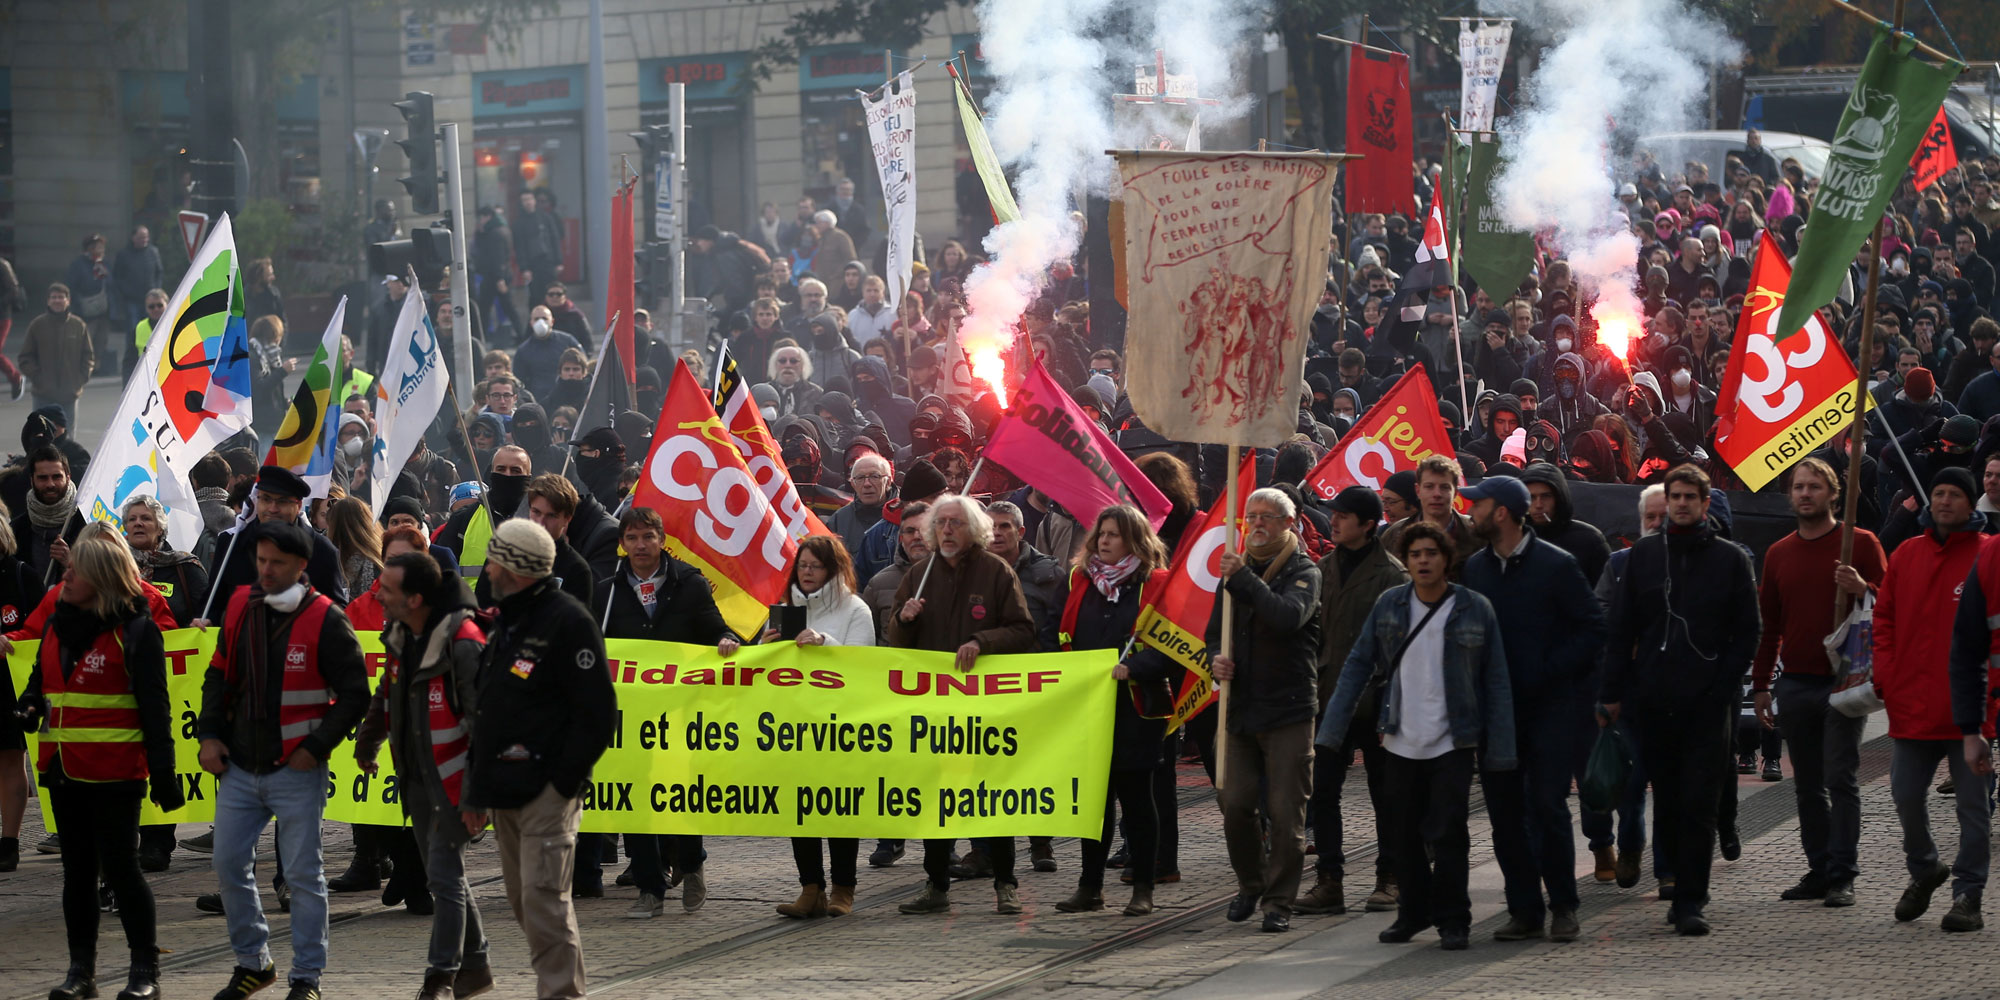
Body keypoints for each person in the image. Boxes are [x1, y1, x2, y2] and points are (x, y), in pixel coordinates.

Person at [1319, 521, 1515, 951]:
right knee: (1402, 832)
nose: (1423, 560)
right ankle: (1412, 913)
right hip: (1400, 738)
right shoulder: (1390, 605)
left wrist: (1500, 748)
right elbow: (1356, 665)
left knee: (1447, 831)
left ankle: (1453, 919)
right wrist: (1331, 729)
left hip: (1453, 740)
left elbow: (1496, 680)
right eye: (1415, 554)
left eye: (1431, 553)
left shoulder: (1473, 608)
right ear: (1406, 562)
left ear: (1446, 560)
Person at [198, 520, 371, 1000]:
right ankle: (253, 963)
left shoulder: (327, 618)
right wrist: (209, 734)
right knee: (229, 863)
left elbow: (356, 695)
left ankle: (306, 978)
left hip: (296, 770)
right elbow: (218, 675)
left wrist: (315, 748)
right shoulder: (239, 604)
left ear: (301, 566)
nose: (266, 570)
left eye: (276, 562)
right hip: (239, 765)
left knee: (302, 876)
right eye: (261, 561)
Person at [11, 530, 178, 1000]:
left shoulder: (137, 631)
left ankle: (144, 972)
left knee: (122, 871)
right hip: (61, 770)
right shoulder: (55, 623)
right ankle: (80, 971)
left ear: (101, 577)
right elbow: (38, 683)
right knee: (77, 874)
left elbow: (155, 708)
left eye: (75, 569)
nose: (66, 575)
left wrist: (164, 775)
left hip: (117, 772)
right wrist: (27, 705)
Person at [1602, 464, 1762, 936]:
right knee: (1668, 801)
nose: (1682, 504)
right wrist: (1612, 693)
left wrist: (1721, 685)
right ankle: (1674, 881)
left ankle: (1692, 897)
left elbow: (1747, 631)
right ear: (1666, 502)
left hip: (1708, 704)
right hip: (1653, 700)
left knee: (1700, 803)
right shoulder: (1644, 557)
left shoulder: (1731, 560)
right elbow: (1622, 629)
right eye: (1676, 496)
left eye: (1691, 496)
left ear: (1705, 503)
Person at [462, 519, 612, 1000]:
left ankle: (560, 994)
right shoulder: (507, 619)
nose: (487, 569)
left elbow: (597, 713)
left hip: (546, 789)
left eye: (494, 559)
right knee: (524, 902)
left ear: (517, 568)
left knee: (544, 902)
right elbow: (488, 711)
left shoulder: (567, 621)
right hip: (503, 789)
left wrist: (563, 784)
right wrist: (476, 790)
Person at [1459, 475, 1607, 943]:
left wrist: (1549, 669)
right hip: (1497, 714)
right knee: (1504, 813)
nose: (1472, 513)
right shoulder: (1476, 570)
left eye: (1478, 505)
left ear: (1501, 512)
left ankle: (1564, 905)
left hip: (1551, 709)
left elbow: (1592, 628)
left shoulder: (1556, 565)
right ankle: (1524, 908)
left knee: (1546, 805)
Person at [354, 551, 495, 1000]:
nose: (379, 595)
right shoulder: (400, 634)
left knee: (444, 876)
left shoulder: (464, 642)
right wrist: (368, 739)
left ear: (415, 599)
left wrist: (477, 797)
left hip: (456, 781)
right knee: (443, 876)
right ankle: (476, 968)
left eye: (388, 590)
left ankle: (440, 976)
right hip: (416, 777)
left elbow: (484, 725)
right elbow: (387, 692)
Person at [888, 495, 1037, 915]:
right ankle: (936, 884)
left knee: (990, 797)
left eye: (956, 523)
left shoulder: (996, 572)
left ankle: (1006, 883)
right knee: (938, 798)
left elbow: (1023, 630)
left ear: (974, 529)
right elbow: (895, 642)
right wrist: (905, 619)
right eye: (941, 523)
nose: (947, 530)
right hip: (935, 709)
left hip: (984, 709)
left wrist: (980, 641)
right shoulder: (920, 574)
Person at [1751, 457, 1886, 907]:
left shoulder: (1861, 544)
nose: (1805, 493)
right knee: (1807, 783)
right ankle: (1819, 868)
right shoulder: (1777, 553)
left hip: (1842, 681)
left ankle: (1843, 873)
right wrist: (1763, 684)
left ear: (1832, 493)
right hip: (1795, 683)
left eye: (1814, 486)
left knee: (1841, 778)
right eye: (1798, 487)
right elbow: (1769, 624)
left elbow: (1890, 609)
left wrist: (1862, 587)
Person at [593, 507, 732, 915]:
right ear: (622, 544)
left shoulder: (688, 583)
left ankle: (692, 865)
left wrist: (724, 639)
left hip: (678, 709)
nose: (640, 545)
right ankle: (650, 887)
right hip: (629, 714)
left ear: (661, 540)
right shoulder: (607, 591)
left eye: (647, 537)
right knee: (634, 797)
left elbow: (714, 626)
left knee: (679, 792)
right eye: (632, 538)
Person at [1044, 506, 1177, 917]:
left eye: (1114, 535)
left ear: (1135, 539)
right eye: (1101, 533)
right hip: (1087, 706)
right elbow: (1053, 632)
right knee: (1093, 802)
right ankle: (1090, 886)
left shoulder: (1156, 584)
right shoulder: (1077, 580)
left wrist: (1133, 667)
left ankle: (1143, 887)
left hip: (1136, 708)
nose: (1104, 541)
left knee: (1137, 797)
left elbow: (1173, 647)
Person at [1875, 467, 1991, 933]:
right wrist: (1887, 676)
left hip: (1971, 714)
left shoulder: (1988, 556)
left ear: (1971, 504)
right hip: (1913, 704)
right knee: (1904, 795)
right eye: (1938, 492)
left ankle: (1968, 895)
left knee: (1973, 809)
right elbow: (1884, 618)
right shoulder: (1906, 553)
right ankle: (1925, 870)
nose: (1944, 500)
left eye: (1955, 494)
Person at [1207, 487, 1322, 933]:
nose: (1257, 524)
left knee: (1285, 812)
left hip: (1289, 710)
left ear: (1288, 523)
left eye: (1268, 517)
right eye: (1251, 515)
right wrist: (1213, 659)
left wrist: (1243, 580)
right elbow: (1213, 633)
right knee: (1234, 802)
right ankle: (1251, 882)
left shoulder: (1304, 572)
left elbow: (1287, 616)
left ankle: (1278, 902)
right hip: (1240, 709)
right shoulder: (1234, 577)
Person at [1299, 486, 1407, 917]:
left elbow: (1398, 643)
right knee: (1323, 792)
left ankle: (1390, 876)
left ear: (1367, 524)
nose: (1334, 521)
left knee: (1387, 794)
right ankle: (1329, 880)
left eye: (1344, 516)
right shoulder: (1322, 569)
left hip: (1377, 701)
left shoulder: (1392, 574)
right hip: (1329, 698)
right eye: (1334, 515)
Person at [765, 535, 876, 919]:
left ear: (832, 569)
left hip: (839, 728)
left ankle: (843, 887)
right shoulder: (784, 608)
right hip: (796, 726)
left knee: (839, 808)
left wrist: (823, 641)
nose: (806, 573)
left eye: (814, 566)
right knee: (801, 809)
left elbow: (862, 667)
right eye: (802, 565)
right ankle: (810, 887)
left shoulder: (855, 610)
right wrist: (767, 650)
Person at [201, 467, 352, 615]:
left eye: (282, 501)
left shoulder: (323, 551)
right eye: (266, 499)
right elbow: (213, 604)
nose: (273, 509)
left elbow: (335, 611)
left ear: (298, 505)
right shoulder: (230, 544)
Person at [1381, 455, 1478, 578]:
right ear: (1418, 490)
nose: (1436, 494)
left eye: (1444, 487)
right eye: (1429, 487)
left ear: (1456, 492)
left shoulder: (1476, 532)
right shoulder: (1394, 534)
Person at [18, 283, 95, 426]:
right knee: (42, 440)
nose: (57, 300)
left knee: (67, 441)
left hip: (69, 396)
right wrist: (38, 377)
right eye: (54, 297)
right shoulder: (37, 325)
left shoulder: (78, 325)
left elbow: (88, 357)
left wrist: (79, 379)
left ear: (68, 300)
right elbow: (25, 357)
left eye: (61, 297)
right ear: (48, 301)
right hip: (43, 395)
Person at [13, 445, 82, 585]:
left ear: (68, 478)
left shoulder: (86, 524)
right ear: (32, 481)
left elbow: (104, 581)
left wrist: (70, 562)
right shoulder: (16, 530)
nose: (50, 484)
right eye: (43, 478)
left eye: (57, 477)